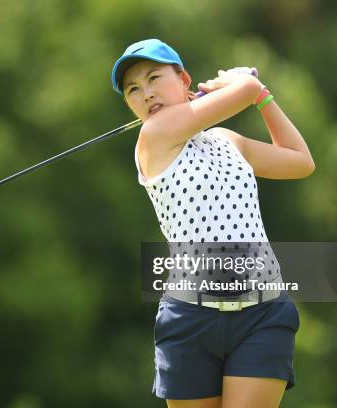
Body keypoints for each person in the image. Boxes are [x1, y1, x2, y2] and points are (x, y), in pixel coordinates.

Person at [111, 39, 315, 408]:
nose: (146, 93)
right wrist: (243, 85)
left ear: (184, 78)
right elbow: (248, 89)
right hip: (190, 319)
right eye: (133, 90)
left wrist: (264, 98)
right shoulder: (152, 138)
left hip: (262, 312)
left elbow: (299, 161)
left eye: (154, 78)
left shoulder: (226, 140)